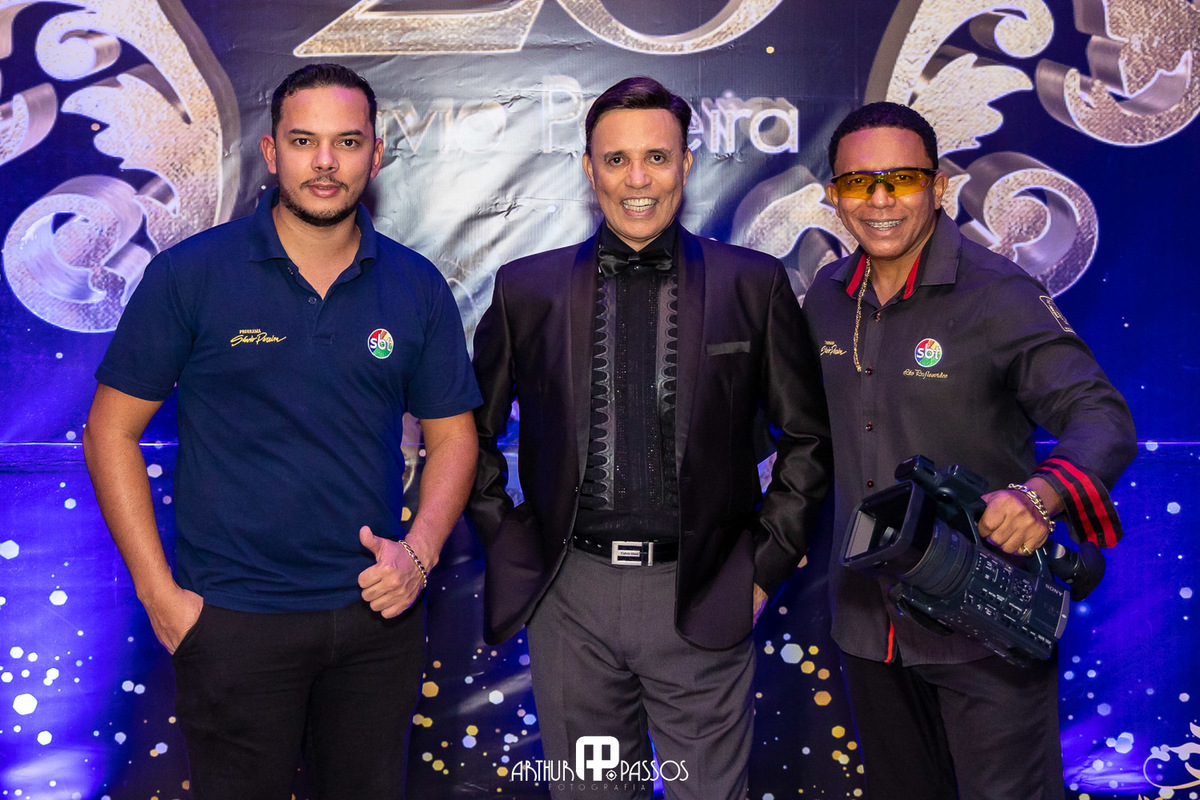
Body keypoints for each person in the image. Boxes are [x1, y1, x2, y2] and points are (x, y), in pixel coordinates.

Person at [82, 64, 480, 799]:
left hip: (375, 621)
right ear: (271, 153)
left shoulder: (415, 284)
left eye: (347, 142)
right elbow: (110, 431)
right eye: (303, 141)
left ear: (375, 155)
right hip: (232, 623)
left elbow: (454, 437)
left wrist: (419, 555)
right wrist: (159, 595)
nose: (325, 162)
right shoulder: (191, 275)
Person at [467, 76, 831, 799]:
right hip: (571, 598)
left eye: (657, 158)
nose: (638, 179)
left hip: (704, 592)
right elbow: (467, 434)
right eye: (617, 159)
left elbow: (809, 441)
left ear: (686, 164)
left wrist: (760, 572)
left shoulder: (752, 284)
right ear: (589, 168)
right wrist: (511, 541)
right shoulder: (526, 289)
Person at [804, 101, 1137, 799]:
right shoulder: (827, 298)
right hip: (868, 624)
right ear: (833, 195)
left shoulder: (996, 293)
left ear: (938, 187)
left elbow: (1100, 416)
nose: (880, 199)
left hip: (985, 620)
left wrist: (1039, 496)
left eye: (901, 178)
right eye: (859, 182)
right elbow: (801, 439)